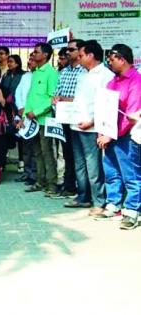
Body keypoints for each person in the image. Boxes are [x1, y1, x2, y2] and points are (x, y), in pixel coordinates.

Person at [61, 40, 112, 214]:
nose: (79, 58)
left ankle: (99, 201)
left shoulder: (105, 75)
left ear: (91, 55)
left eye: (81, 55)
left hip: (91, 128)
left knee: (93, 166)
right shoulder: (83, 74)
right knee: (80, 164)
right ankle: (83, 197)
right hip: (76, 125)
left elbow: (106, 103)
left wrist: (93, 121)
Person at [96, 44, 141, 230]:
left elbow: (131, 115)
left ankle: (132, 211)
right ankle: (113, 204)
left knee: (131, 175)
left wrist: (110, 135)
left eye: (112, 59)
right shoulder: (112, 82)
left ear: (122, 59)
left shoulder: (135, 81)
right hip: (109, 135)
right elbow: (104, 110)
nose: (109, 62)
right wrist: (102, 132)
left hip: (126, 135)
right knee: (111, 172)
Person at [24, 43, 59, 196]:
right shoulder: (36, 72)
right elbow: (31, 96)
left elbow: (52, 98)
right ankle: (40, 180)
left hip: (45, 120)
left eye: (36, 52)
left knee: (47, 152)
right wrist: (27, 113)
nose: (33, 54)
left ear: (45, 55)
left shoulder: (51, 73)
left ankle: (52, 185)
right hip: (32, 120)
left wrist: (36, 112)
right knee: (37, 152)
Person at [52, 39, 86, 199]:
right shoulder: (64, 72)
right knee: (66, 154)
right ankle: (69, 185)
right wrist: (56, 99)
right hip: (64, 119)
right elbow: (57, 93)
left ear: (80, 52)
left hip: (80, 121)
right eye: (66, 50)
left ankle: (82, 188)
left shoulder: (85, 72)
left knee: (79, 156)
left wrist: (65, 99)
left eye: (70, 49)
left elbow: (82, 98)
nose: (67, 52)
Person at [0, 54, 26, 173]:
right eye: (8, 62)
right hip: (6, 108)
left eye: (11, 61)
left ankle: (21, 161)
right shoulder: (5, 75)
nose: (9, 64)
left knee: (20, 135)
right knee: (6, 133)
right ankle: (3, 161)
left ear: (17, 63)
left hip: (19, 109)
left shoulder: (23, 75)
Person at [15, 54, 38, 186]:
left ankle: (34, 174)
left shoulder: (39, 76)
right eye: (29, 60)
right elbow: (18, 93)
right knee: (25, 147)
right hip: (23, 115)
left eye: (32, 60)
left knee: (35, 148)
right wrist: (20, 107)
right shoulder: (26, 76)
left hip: (34, 116)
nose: (30, 62)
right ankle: (27, 172)